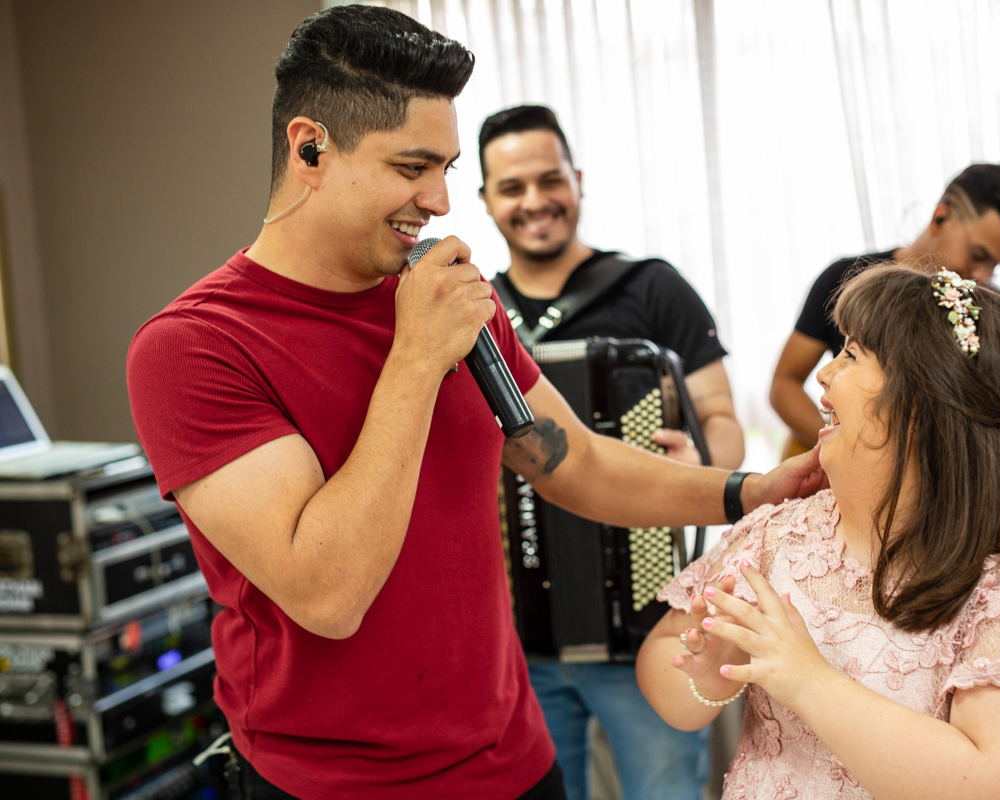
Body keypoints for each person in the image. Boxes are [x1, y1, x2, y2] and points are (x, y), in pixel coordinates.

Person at [125, 8, 823, 800]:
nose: (439, 200)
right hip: (331, 786)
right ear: (310, 147)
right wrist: (415, 358)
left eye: (447, 168)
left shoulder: (448, 294)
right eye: (412, 167)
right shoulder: (194, 347)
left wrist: (749, 491)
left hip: (515, 762)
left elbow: (573, 462)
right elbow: (328, 594)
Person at [637, 264, 1000, 799]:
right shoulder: (774, 536)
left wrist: (807, 680)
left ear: (920, 404)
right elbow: (663, 660)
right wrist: (705, 679)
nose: (823, 374)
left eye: (851, 355)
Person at [477, 104, 744, 800]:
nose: (534, 201)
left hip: (643, 623)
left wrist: (701, 463)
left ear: (578, 180)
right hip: (515, 640)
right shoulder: (473, 316)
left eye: (549, 179)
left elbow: (720, 416)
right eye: (511, 187)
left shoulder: (652, 288)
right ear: (485, 200)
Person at [770, 164, 1000, 454]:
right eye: (977, 255)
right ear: (940, 216)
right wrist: (839, 448)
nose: (983, 276)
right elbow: (785, 383)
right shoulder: (847, 278)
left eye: (995, 266)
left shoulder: (992, 317)